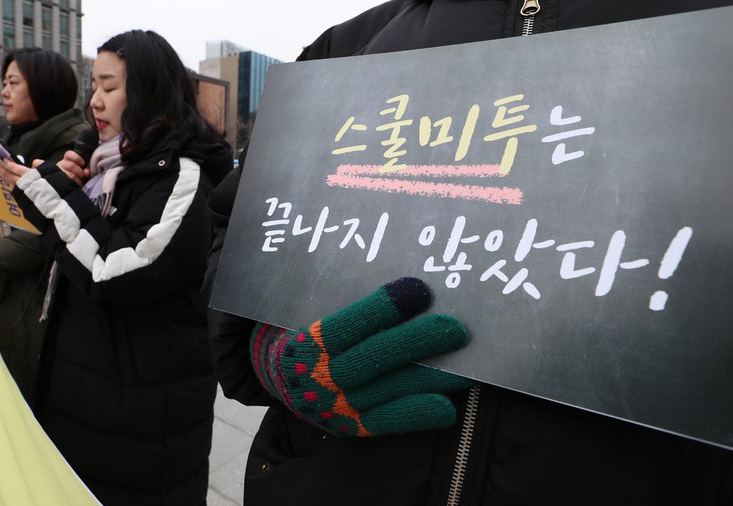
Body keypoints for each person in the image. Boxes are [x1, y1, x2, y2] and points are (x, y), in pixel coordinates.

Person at [203, 1, 733, 505]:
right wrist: (272, 354)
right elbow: (240, 226)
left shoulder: (710, 36)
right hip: (328, 480)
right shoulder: (350, 45)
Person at [0, 30, 233, 505]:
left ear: (148, 90)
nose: (95, 103)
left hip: (142, 427)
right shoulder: (110, 167)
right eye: (93, 88)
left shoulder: (185, 176)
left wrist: (51, 196)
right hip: (89, 403)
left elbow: (115, 266)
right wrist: (68, 187)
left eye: (109, 87)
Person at [0, 48, 87, 405]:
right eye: (4, 83)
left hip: (34, 307)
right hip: (2, 293)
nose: (4, 92)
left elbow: (39, 234)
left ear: (44, 88)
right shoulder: (12, 144)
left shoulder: (71, 152)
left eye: (13, 83)